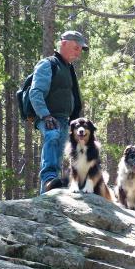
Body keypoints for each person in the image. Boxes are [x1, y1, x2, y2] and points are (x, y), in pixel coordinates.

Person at [30, 30, 88, 193]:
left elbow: (74, 98)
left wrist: (75, 122)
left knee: (57, 155)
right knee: (52, 136)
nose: (78, 53)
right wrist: (45, 115)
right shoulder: (48, 64)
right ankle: (49, 178)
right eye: (76, 48)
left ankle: (47, 194)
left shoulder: (68, 69)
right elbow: (35, 92)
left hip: (64, 119)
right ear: (63, 43)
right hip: (47, 117)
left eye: (80, 50)